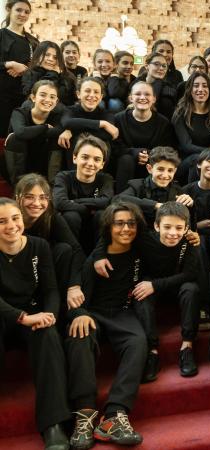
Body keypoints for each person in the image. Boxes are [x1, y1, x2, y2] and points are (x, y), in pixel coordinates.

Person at [64, 202, 146, 447]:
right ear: (109, 228)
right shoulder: (94, 260)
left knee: (138, 340)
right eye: (119, 223)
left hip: (123, 313)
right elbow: (76, 297)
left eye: (131, 223)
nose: (126, 228)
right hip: (94, 312)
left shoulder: (141, 250)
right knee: (79, 335)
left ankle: (115, 415)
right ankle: (85, 414)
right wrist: (79, 313)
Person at [93, 202, 202, 382]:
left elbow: (190, 274)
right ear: (156, 225)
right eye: (167, 227)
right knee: (140, 294)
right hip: (151, 286)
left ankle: (187, 347)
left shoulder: (190, 241)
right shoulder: (145, 238)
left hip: (176, 285)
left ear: (186, 228)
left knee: (191, 289)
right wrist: (98, 254)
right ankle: (152, 352)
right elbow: (108, 232)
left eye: (179, 228)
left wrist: (155, 285)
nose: (173, 233)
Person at [0, 197, 72, 450]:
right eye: (2, 221)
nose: (11, 225)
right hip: (4, 317)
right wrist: (22, 317)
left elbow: (51, 289)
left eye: (15, 218)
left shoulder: (39, 245)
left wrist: (49, 316)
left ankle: (54, 426)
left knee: (49, 335)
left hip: (31, 316)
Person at [15, 173, 85, 322]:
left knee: (64, 249)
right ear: (17, 197)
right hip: (17, 273)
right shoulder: (9, 219)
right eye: (29, 196)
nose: (36, 203)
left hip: (45, 274)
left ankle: (58, 306)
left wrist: (74, 286)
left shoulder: (51, 217)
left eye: (42, 197)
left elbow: (77, 250)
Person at [53, 134, 113, 253]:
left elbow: (106, 201)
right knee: (71, 216)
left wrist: (74, 202)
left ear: (102, 164)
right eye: (85, 157)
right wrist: (88, 209)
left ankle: (99, 256)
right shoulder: (63, 177)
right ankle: (73, 257)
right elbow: (59, 203)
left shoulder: (105, 179)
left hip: (96, 227)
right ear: (75, 158)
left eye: (97, 159)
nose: (90, 163)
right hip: (70, 229)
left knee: (101, 215)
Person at [113, 80, 176, 191]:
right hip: (125, 166)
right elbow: (115, 148)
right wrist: (135, 153)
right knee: (126, 159)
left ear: (154, 99)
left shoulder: (163, 123)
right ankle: (121, 199)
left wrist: (149, 155)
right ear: (131, 98)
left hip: (152, 165)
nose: (142, 97)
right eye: (138, 94)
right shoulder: (118, 119)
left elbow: (167, 150)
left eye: (147, 94)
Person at [172, 71, 210, 184]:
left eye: (205, 85)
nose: (200, 89)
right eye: (196, 86)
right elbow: (187, 146)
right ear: (189, 90)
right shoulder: (180, 114)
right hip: (187, 162)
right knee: (197, 159)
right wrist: (209, 156)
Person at [5, 80, 64, 184]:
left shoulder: (57, 116)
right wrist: (44, 127)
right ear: (33, 97)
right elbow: (21, 132)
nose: (48, 100)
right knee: (15, 139)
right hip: (20, 164)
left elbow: (58, 131)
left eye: (52, 97)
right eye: (43, 95)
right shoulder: (19, 112)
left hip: (43, 163)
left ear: (56, 101)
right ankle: (19, 185)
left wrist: (30, 132)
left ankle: (52, 185)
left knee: (57, 139)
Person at [115, 146, 192, 225]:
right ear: (149, 169)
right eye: (160, 169)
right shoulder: (138, 185)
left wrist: (190, 204)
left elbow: (187, 222)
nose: (165, 175)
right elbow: (118, 199)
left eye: (170, 170)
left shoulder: (178, 190)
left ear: (175, 171)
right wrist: (155, 205)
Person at [59, 76, 118, 168]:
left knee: (102, 142)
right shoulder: (70, 110)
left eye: (96, 92)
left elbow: (108, 135)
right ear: (78, 94)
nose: (92, 95)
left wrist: (72, 131)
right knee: (76, 141)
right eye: (87, 91)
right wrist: (101, 124)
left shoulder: (107, 114)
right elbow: (67, 122)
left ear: (101, 97)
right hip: (74, 159)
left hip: (97, 159)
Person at [0, 0, 38, 138]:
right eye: (19, 10)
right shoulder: (2, 35)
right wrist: (9, 64)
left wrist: (25, 69)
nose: (23, 14)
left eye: (26, 12)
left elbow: (38, 68)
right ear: (9, 9)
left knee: (16, 138)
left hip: (23, 98)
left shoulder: (33, 42)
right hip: (2, 96)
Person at [21, 40, 77, 107]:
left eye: (55, 57)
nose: (51, 59)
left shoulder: (67, 76)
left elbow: (62, 98)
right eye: (47, 55)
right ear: (38, 55)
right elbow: (36, 96)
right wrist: (53, 73)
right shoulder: (30, 74)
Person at [133, 52, 177, 121]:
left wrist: (158, 82)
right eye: (157, 64)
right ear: (147, 66)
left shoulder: (168, 88)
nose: (161, 68)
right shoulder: (136, 83)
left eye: (164, 66)